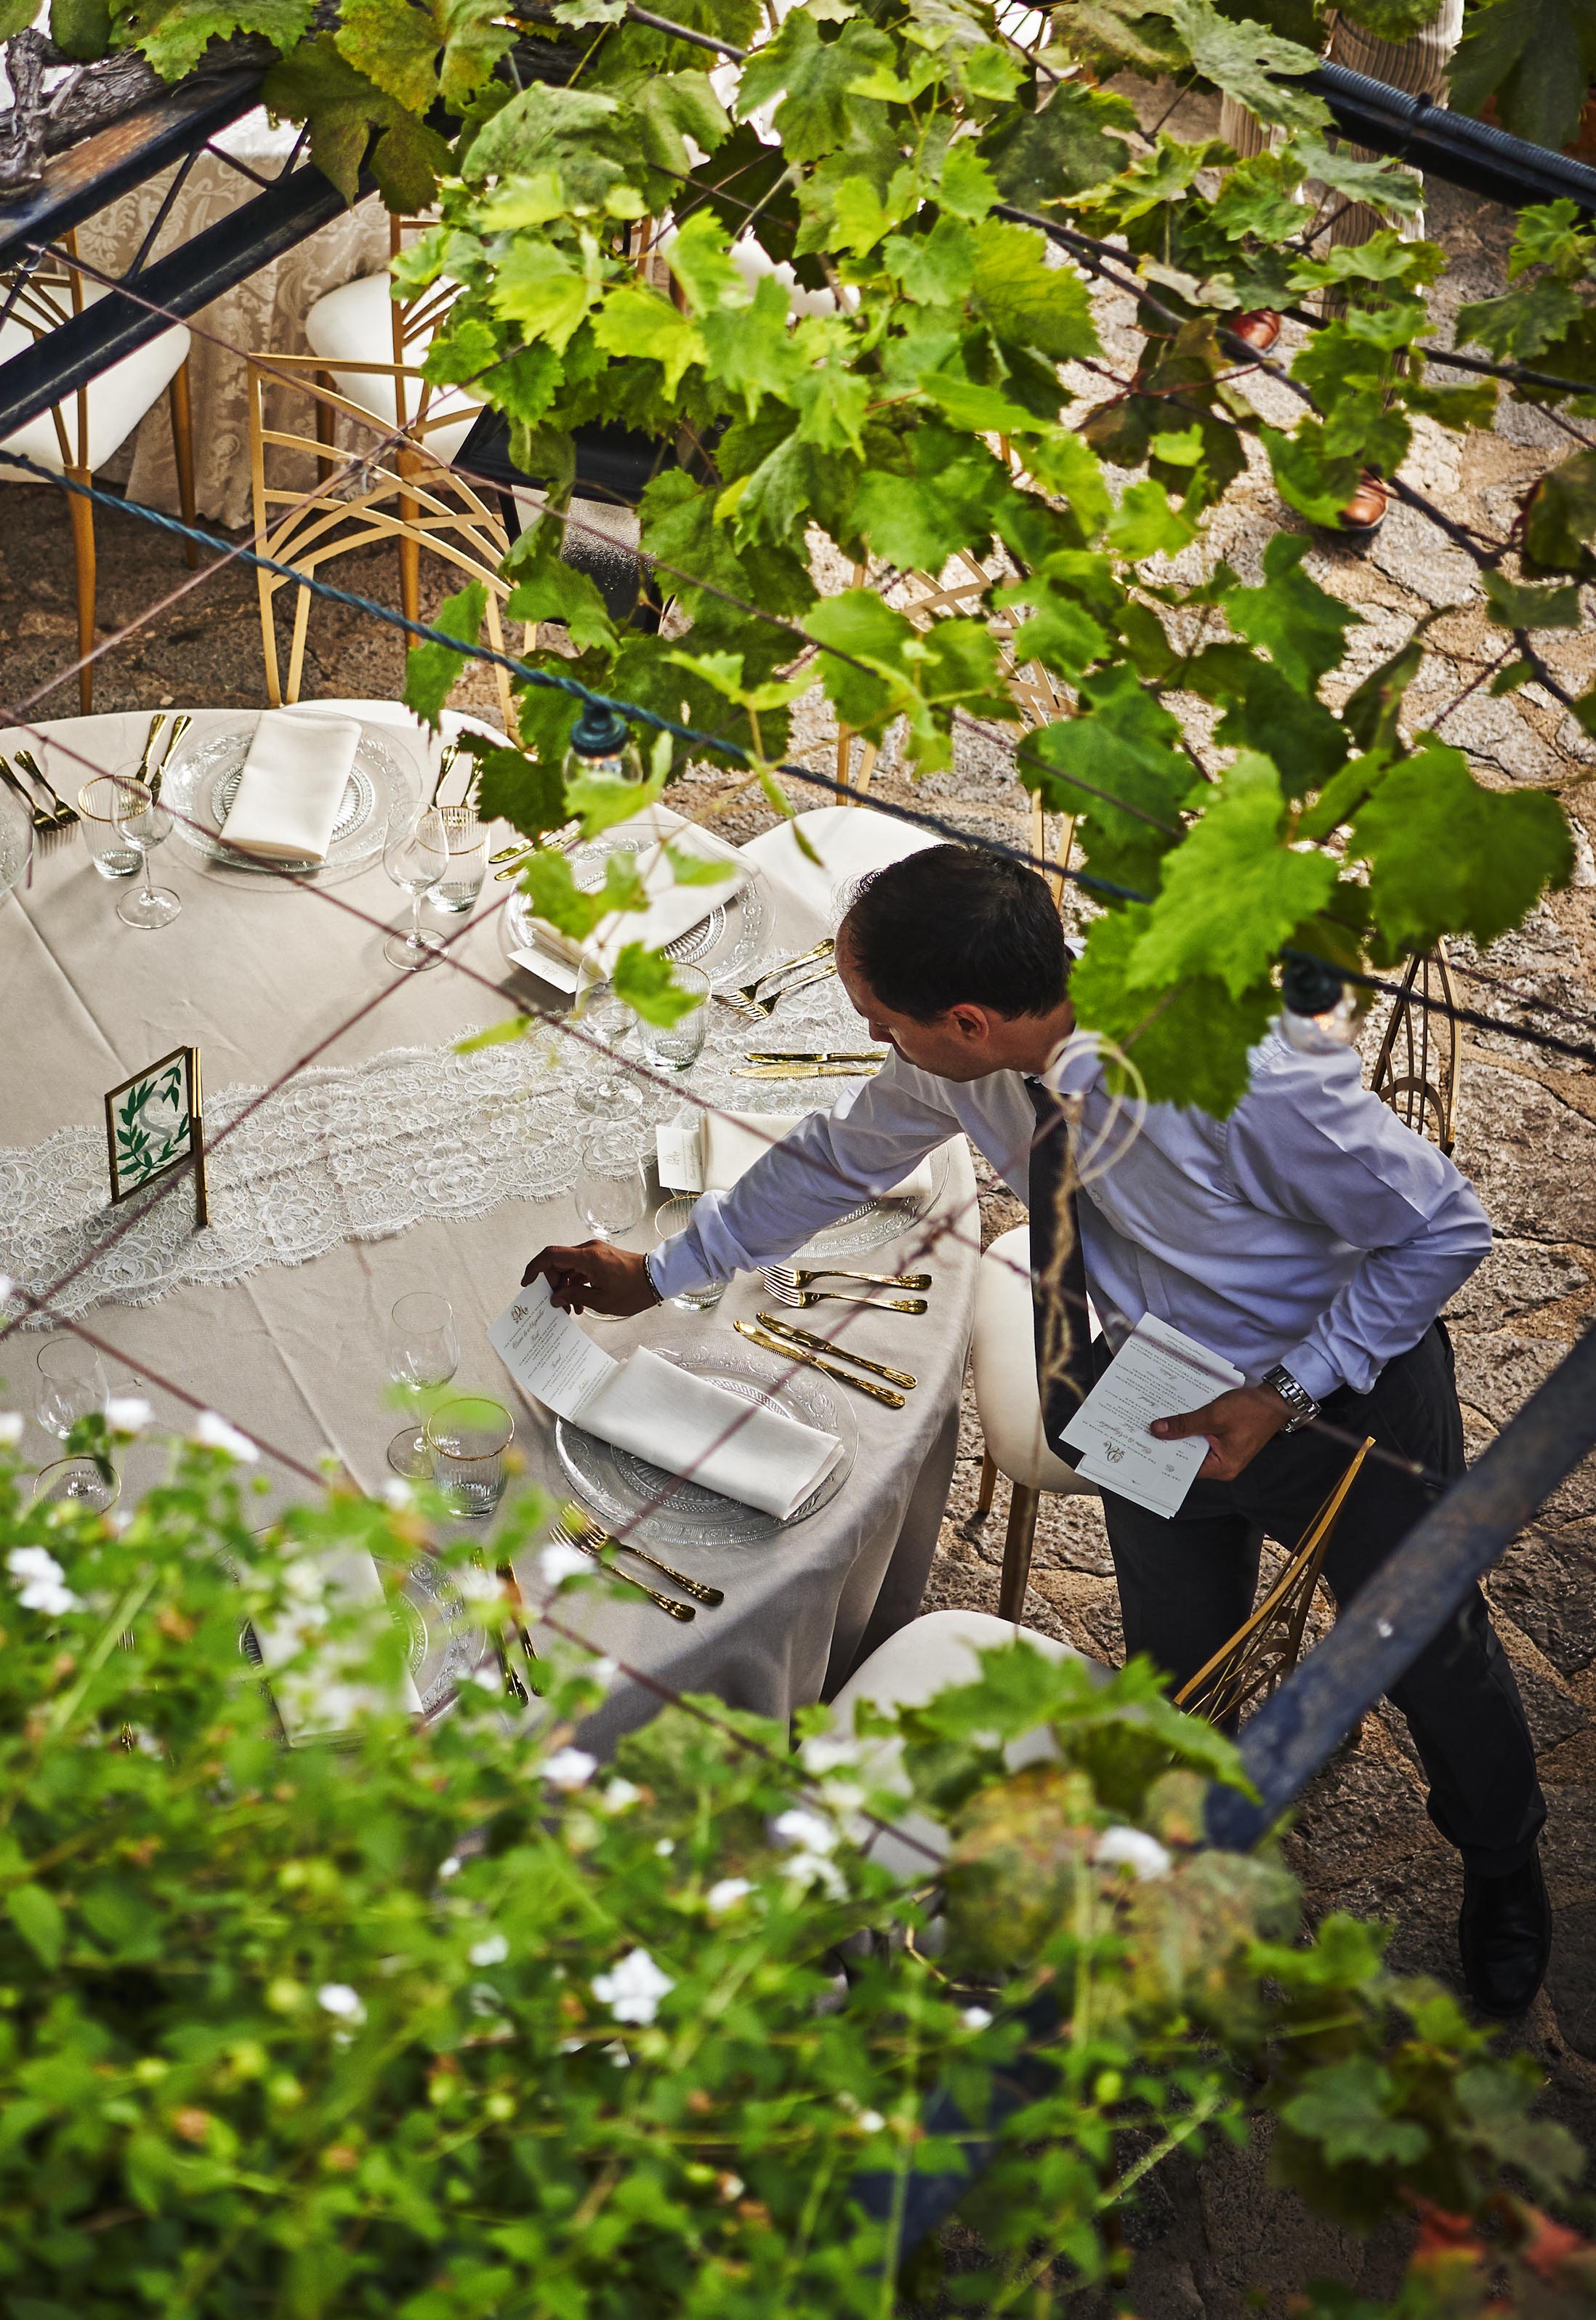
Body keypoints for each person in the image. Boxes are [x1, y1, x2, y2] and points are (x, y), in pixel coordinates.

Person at [524, 842, 1550, 2018]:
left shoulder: (1243, 1074)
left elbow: (1444, 1230)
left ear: (966, 1017)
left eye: (879, 1020)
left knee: (1435, 1654)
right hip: (1144, 1392)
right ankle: (1202, 1828)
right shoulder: (960, 1068)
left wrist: (1291, 1389)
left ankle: (1503, 1859)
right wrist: (662, 1271)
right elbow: (836, 1159)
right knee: (1178, 1664)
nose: (873, 1042)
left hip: (1339, 1408)